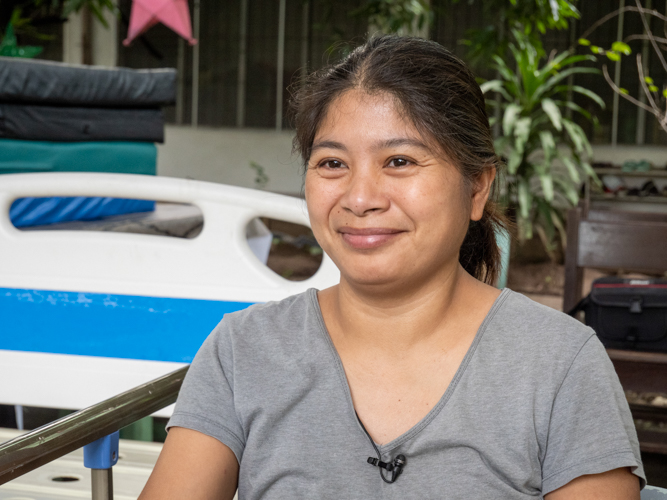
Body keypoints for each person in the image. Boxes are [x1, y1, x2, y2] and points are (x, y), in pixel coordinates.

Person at [139, 35, 644, 499]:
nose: (359, 198)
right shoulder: (243, 351)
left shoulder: (560, 366)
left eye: (399, 161)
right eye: (332, 163)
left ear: (476, 187)